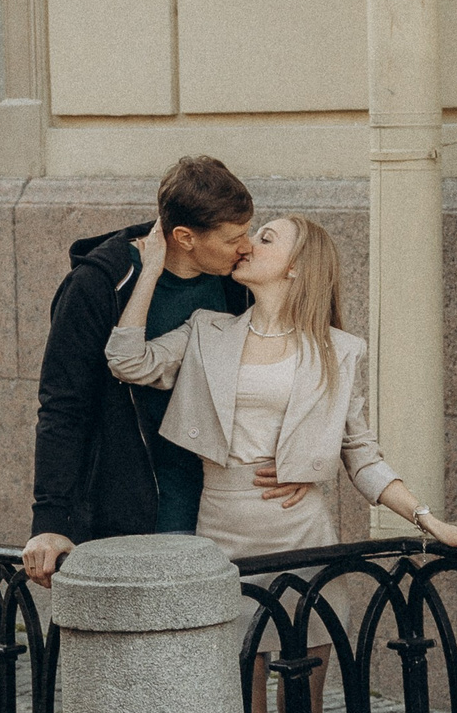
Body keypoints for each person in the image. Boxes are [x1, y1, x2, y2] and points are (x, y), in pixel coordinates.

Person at [104, 213, 457, 713]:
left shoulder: (340, 352)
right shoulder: (210, 331)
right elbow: (127, 360)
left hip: (303, 549)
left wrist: (425, 516)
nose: (250, 244)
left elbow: (361, 455)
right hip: (225, 544)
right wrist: (151, 267)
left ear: (299, 268)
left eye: (268, 237)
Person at [21, 156, 309, 588]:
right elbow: (63, 407)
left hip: (220, 511)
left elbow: (279, 372)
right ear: (184, 237)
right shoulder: (98, 285)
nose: (246, 246)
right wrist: (51, 517)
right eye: (233, 237)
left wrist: (301, 458)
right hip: (128, 509)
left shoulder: (235, 284)